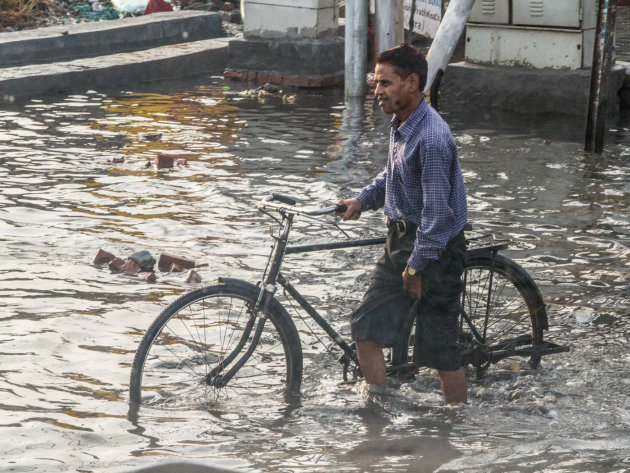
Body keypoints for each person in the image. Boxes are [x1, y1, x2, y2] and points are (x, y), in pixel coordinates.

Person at [336, 43, 468, 404]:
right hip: (400, 240)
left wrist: (415, 268)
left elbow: (439, 217)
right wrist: (362, 200)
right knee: (364, 326)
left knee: (439, 350)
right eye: (375, 83)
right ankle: (377, 416)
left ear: (412, 83)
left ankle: (455, 429)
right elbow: (392, 176)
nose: (376, 91)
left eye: (384, 83)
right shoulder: (401, 123)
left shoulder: (432, 138)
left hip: (434, 249)